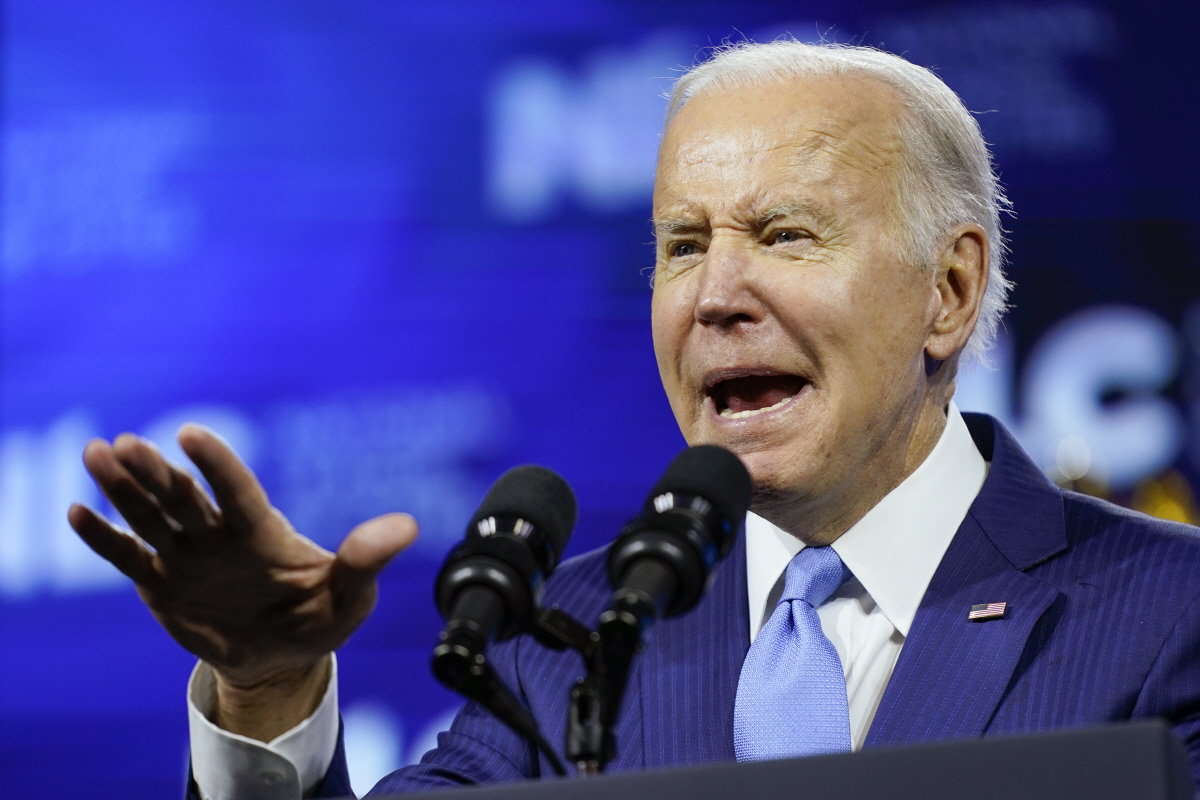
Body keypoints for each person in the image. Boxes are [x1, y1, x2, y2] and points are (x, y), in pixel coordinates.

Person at [68, 40, 1200, 800]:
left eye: (788, 233)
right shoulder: (559, 637)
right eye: (684, 245)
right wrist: (267, 684)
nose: (716, 295)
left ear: (947, 291)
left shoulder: (1167, 613)